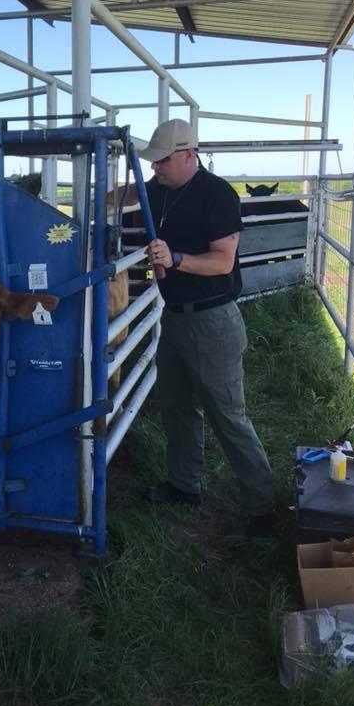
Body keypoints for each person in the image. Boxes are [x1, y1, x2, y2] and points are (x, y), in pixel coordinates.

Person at [138, 118, 273, 537]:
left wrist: (174, 259)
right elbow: (127, 193)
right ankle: (184, 485)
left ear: (187, 155)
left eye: (161, 160)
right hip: (174, 315)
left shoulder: (216, 194)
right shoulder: (159, 189)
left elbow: (222, 262)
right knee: (176, 405)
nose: (155, 168)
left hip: (213, 319)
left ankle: (263, 508)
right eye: (153, 161)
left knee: (227, 413)